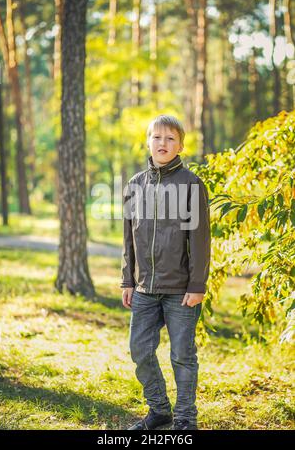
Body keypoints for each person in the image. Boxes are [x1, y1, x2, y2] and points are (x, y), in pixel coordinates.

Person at [121, 114, 211, 430]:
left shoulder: (191, 185)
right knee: (140, 350)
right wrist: (127, 279)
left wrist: (197, 284)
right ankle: (159, 410)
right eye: (157, 137)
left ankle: (186, 419)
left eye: (170, 138)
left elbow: (200, 240)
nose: (163, 143)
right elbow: (128, 237)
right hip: (144, 288)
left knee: (182, 356)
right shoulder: (134, 185)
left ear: (180, 145)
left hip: (182, 289)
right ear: (148, 142)